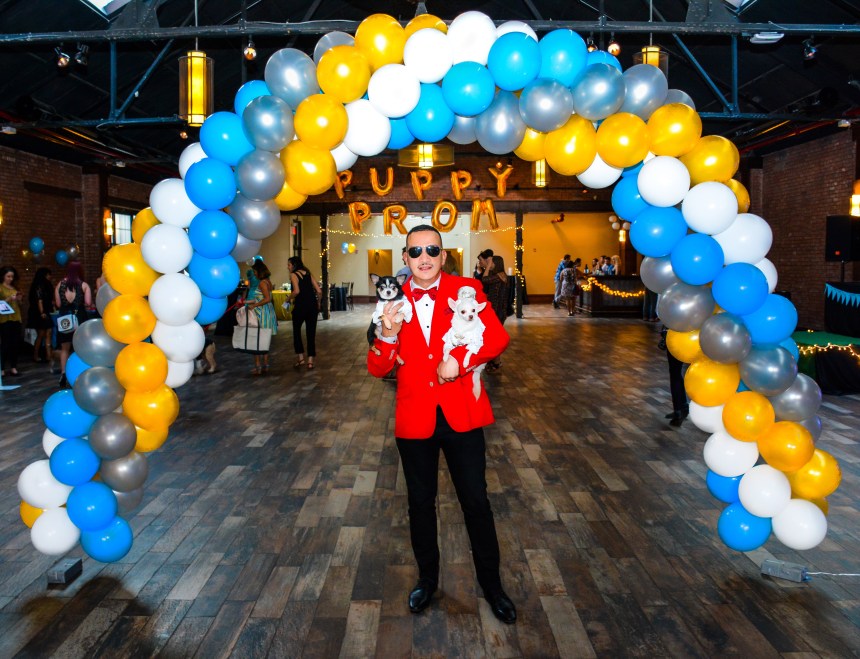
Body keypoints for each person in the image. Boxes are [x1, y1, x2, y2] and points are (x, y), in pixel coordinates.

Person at [367, 224, 516, 625]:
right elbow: (377, 367)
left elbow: (496, 338)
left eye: (432, 250)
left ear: (443, 255)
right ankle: (427, 579)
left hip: (461, 414)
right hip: (414, 417)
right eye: (416, 251)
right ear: (405, 258)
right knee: (419, 504)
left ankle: (492, 585)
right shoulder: (391, 299)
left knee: (476, 502)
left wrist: (461, 361)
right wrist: (388, 336)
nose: (424, 257)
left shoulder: (466, 289)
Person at [54, 262, 92, 388]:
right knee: (80, 347)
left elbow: (58, 304)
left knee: (64, 348)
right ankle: (79, 373)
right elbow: (88, 302)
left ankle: (63, 373)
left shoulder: (60, 285)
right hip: (79, 317)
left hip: (64, 319)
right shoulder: (84, 285)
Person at [287, 256, 322, 370]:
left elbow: (296, 291)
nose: (288, 267)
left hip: (300, 307)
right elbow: (319, 291)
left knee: (296, 332)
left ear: (294, 265)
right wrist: (318, 302)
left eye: (289, 265)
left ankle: (301, 359)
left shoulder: (293, 275)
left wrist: (288, 298)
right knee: (311, 334)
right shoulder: (308, 273)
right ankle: (310, 361)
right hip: (312, 306)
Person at [245, 260, 277, 375]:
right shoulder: (267, 281)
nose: (254, 274)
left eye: (255, 271)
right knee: (264, 340)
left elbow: (267, 299)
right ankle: (265, 365)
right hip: (267, 312)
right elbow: (261, 298)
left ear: (259, 271)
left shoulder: (262, 283)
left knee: (256, 340)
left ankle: (258, 366)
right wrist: (246, 302)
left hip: (261, 314)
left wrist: (254, 305)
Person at [481, 254, 509, 370]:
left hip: (498, 311)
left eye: (491, 262)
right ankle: (495, 361)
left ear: (496, 264)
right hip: (497, 310)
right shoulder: (498, 275)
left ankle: (496, 362)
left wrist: (487, 267)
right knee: (493, 337)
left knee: (494, 338)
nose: (489, 264)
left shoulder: (499, 276)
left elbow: (484, 280)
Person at [659, 326, 689, 426]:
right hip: (691, 338)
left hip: (676, 337)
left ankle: (679, 410)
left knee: (675, 373)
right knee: (677, 373)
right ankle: (683, 407)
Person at [27, 267, 55, 369]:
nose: (50, 277)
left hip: (43, 312)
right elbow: (39, 300)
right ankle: (36, 355)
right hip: (40, 313)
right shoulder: (39, 286)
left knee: (47, 332)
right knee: (42, 333)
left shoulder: (45, 285)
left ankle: (48, 355)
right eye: (48, 275)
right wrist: (42, 312)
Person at [1, 265, 24, 377]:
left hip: (16, 318)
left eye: (12, 277)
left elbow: (20, 304)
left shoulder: (14, 288)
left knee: (15, 344)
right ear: (3, 276)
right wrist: (9, 298)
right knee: (5, 344)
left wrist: (19, 300)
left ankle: (13, 367)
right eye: (8, 276)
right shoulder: (1, 288)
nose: (10, 279)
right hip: (4, 319)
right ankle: (2, 368)